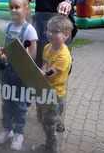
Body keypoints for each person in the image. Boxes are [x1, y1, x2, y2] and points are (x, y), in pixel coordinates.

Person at [0, 0, 38, 151]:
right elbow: (4, 50)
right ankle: (7, 129)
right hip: (7, 73)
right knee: (6, 103)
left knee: (19, 105)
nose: (14, 10)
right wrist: (0, 53)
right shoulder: (7, 27)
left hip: (21, 74)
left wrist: (10, 57)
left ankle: (19, 132)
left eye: (17, 7)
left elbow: (32, 55)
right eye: (11, 7)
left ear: (26, 9)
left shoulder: (29, 30)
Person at [32, 15, 73, 153]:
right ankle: (50, 140)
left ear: (66, 35)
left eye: (55, 31)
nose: (50, 34)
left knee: (50, 127)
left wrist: (28, 64)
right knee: (43, 121)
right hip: (43, 91)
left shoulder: (63, 56)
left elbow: (47, 75)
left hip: (54, 95)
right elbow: (44, 68)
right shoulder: (47, 47)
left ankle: (51, 149)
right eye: (49, 30)